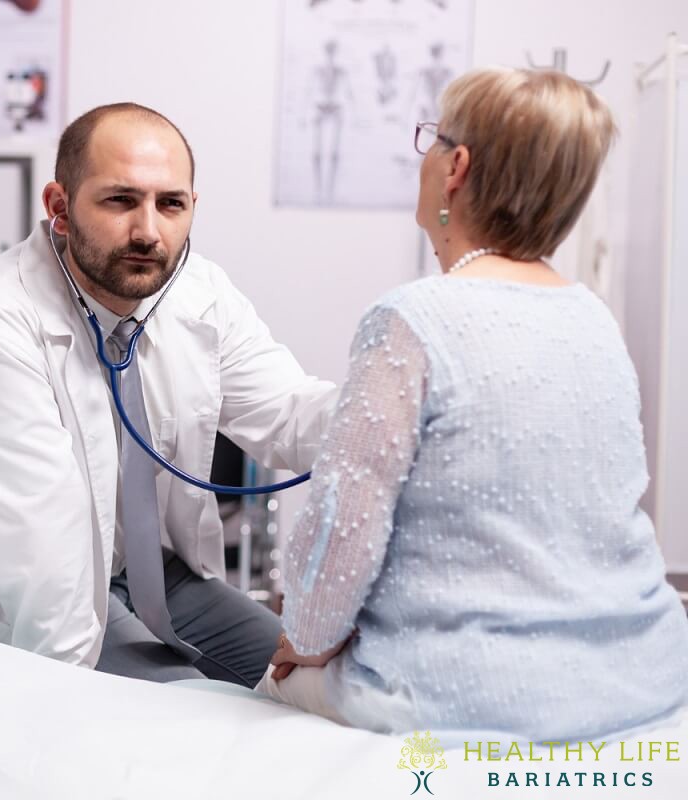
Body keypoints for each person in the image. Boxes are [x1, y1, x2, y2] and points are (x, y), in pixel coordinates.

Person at [258, 68, 688, 740]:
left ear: (456, 166)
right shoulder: (592, 318)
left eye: (431, 139)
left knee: (268, 689)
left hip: (466, 693)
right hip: (643, 675)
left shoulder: (411, 318)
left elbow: (341, 535)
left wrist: (305, 645)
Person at [0, 103, 338, 686]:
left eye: (170, 204)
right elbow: (45, 568)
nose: (148, 232)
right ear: (60, 208)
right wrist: (84, 710)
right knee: (188, 713)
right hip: (37, 591)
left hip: (158, 578)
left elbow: (289, 414)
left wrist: (391, 410)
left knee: (325, 684)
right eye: (120, 200)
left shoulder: (201, 294)